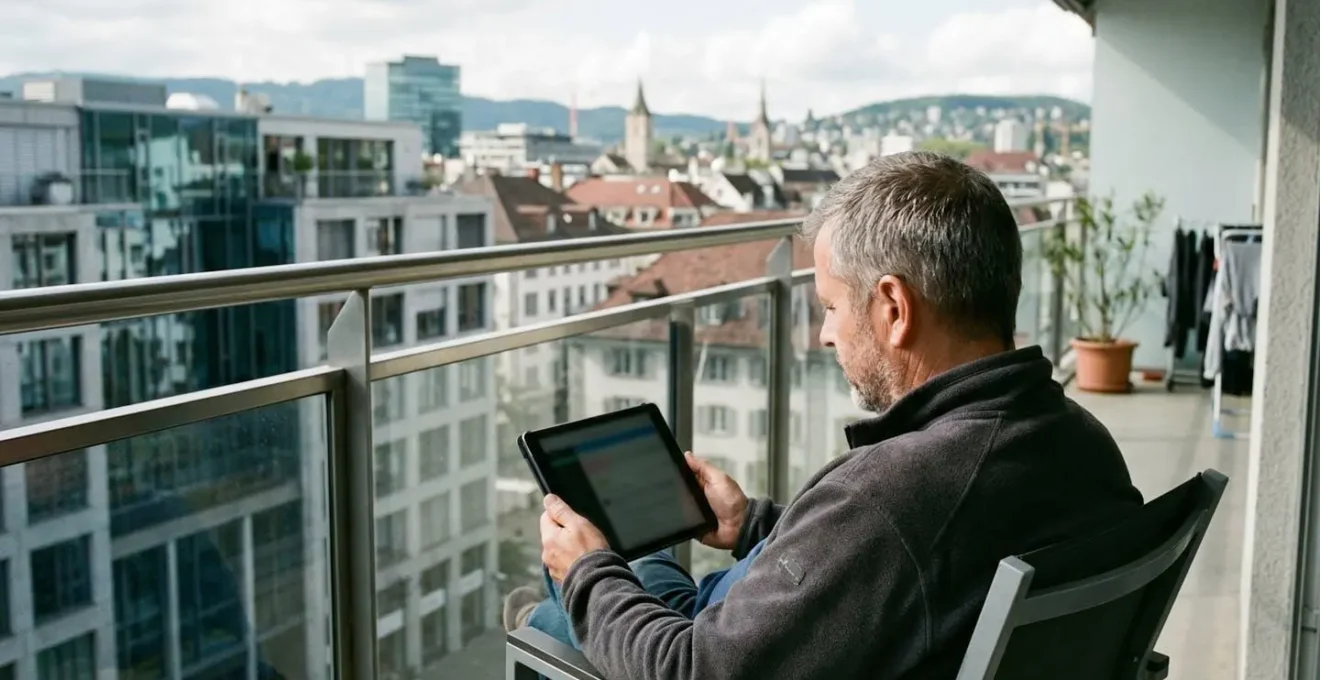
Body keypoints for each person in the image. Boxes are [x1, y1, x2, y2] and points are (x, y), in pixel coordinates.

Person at [504, 151, 1144, 678]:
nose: (824, 335)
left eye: (830, 307)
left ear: (894, 309)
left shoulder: (888, 493)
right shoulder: (1082, 442)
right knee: (634, 564)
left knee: (568, 596)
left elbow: (694, 670)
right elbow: (894, 565)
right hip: (815, 635)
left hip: (726, 654)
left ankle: (536, 619)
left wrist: (587, 575)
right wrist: (755, 525)